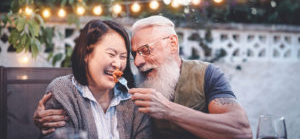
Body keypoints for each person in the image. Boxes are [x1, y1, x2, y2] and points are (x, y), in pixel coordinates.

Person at [34, 16, 252, 139]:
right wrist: (43, 122)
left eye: (146, 50)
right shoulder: (131, 88)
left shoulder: (207, 74)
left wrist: (168, 110)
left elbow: (241, 131)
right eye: (135, 54)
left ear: (172, 44)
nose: (136, 62)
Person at [35, 19, 151, 139]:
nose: (118, 64)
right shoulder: (63, 91)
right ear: (86, 54)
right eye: (111, 54)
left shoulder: (133, 100)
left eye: (123, 57)